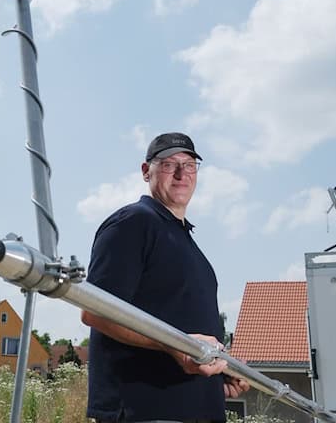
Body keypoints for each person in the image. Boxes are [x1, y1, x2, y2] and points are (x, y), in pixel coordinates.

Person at [81, 132, 249, 423]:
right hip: (146, 410)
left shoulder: (189, 244)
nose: (182, 173)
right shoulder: (134, 223)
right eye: (170, 164)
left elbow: (185, 326)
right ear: (147, 171)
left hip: (195, 409)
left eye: (190, 165)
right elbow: (95, 312)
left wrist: (217, 373)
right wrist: (175, 346)